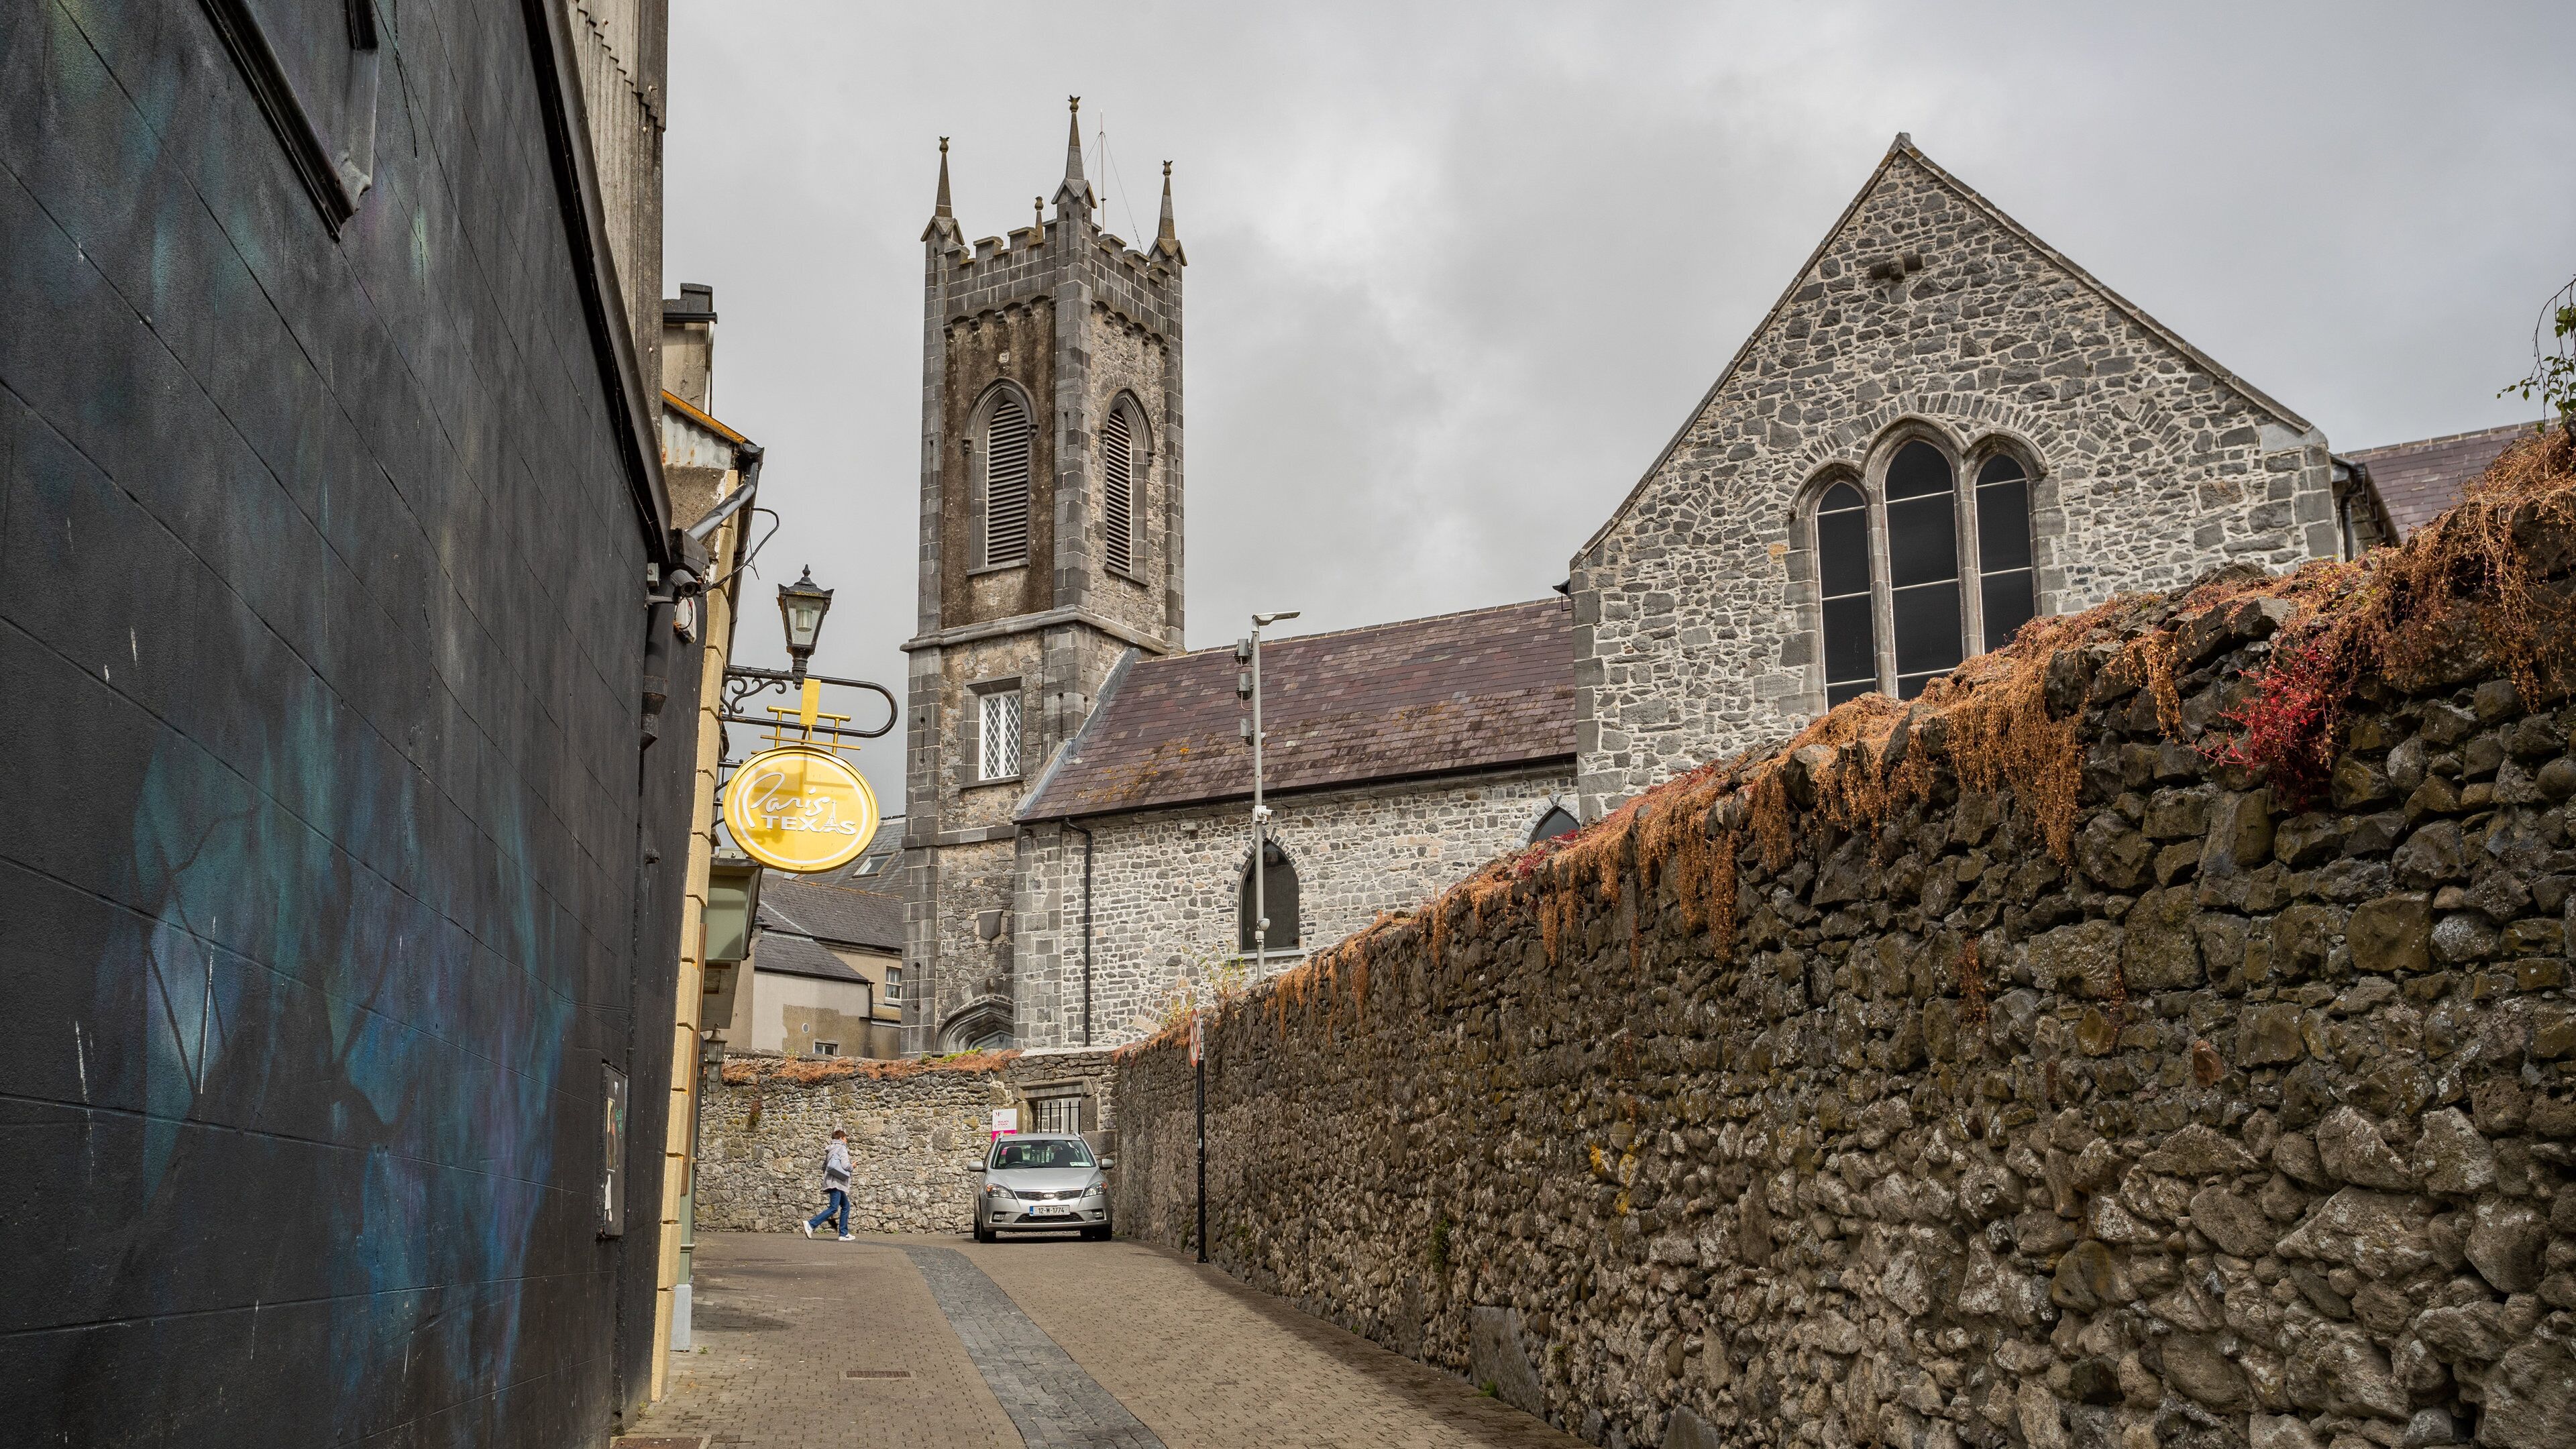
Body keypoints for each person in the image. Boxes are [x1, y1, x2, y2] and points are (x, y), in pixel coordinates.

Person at [801, 1128, 853, 1241]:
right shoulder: (842, 1148)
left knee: (846, 1206)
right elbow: (845, 1166)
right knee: (834, 1208)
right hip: (837, 1183)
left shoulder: (830, 1149)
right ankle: (811, 1224)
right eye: (845, 1138)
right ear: (841, 1139)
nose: (846, 1141)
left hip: (831, 1182)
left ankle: (843, 1234)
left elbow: (824, 1167)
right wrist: (852, 1166)